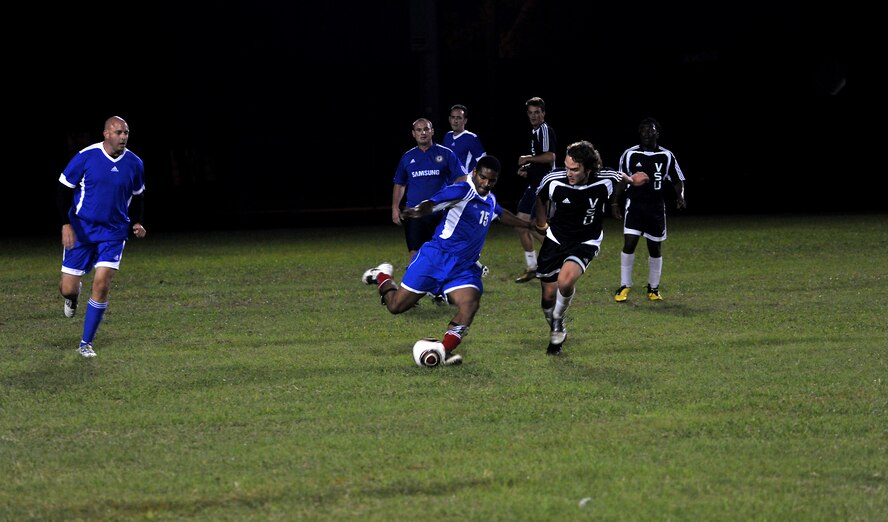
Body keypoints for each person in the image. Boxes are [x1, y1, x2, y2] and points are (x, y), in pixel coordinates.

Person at [363, 155, 531, 365]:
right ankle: (382, 275)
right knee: (396, 306)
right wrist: (418, 211)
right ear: (474, 173)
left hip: (463, 268)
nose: (486, 184)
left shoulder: (490, 199)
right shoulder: (462, 190)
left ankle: (443, 351)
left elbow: (500, 213)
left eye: (492, 180)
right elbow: (435, 201)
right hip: (435, 259)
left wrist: (528, 225)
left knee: (469, 304)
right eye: (483, 178)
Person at [531, 141, 648, 355]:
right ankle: (556, 323)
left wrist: (632, 180)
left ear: (589, 169)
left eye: (574, 169)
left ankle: (558, 321)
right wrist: (541, 224)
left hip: (586, 241)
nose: (569, 173)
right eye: (566, 167)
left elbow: (621, 178)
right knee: (547, 297)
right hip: (556, 239)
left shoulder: (605, 179)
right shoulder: (553, 180)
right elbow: (540, 198)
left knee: (565, 282)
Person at [57, 116, 146, 358]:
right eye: (119, 132)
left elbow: (138, 195)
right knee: (67, 288)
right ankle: (72, 298)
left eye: (126, 132)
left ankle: (86, 343)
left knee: (103, 282)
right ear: (106, 134)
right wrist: (66, 223)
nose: (124, 137)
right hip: (82, 230)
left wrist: (136, 222)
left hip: (114, 232)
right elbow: (64, 188)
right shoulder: (86, 156)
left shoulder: (135, 163)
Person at [612, 117, 687, 303]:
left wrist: (680, 196)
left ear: (657, 133)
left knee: (655, 247)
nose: (647, 133)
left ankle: (653, 288)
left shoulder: (667, 155)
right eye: (643, 130)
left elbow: (678, 179)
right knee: (629, 243)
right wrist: (615, 203)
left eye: (650, 130)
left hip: (655, 208)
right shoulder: (629, 154)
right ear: (640, 133)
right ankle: (625, 285)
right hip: (634, 205)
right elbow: (621, 179)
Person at [392, 117, 466, 263]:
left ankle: (442, 282)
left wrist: (453, 196)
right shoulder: (407, 157)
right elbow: (400, 184)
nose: (423, 133)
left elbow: (461, 177)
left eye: (426, 129)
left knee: (442, 251)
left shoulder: (446, 153)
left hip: (439, 211)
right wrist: (395, 207)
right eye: (419, 130)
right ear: (413, 134)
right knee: (414, 252)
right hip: (414, 213)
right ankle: (417, 283)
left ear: (432, 132)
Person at [443, 103, 490, 278]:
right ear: (449, 119)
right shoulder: (447, 137)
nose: (456, 121)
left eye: (459, 118)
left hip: (465, 191)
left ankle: (467, 265)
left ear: (465, 120)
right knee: (456, 229)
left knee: (458, 228)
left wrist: (469, 179)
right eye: (453, 117)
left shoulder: (471, 138)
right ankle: (474, 265)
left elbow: (483, 161)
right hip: (450, 189)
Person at [514, 96, 557, 283]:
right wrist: (527, 170)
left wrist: (528, 159)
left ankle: (557, 258)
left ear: (543, 113)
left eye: (537, 112)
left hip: (544, 186)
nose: (533, 116)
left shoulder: (545, 130)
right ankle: (532, 267)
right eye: (530, 113)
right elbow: (539, 160)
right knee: (520, 224)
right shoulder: (535, 131)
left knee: (536, 227)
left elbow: (549, 156)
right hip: (534, 184)